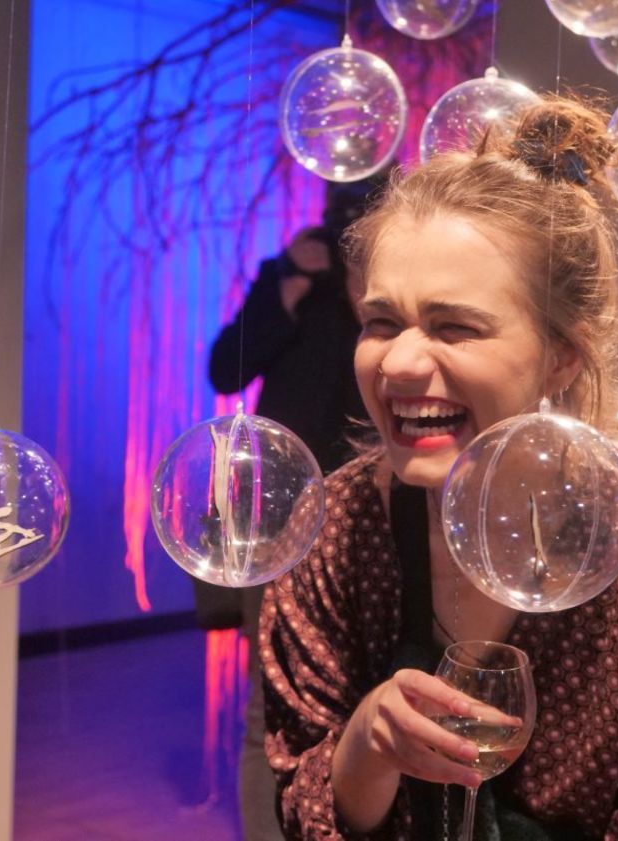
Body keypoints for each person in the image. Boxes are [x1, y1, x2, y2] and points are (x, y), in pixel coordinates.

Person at [258, 97, 618, 840]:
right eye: (381, 322)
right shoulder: (328, 533)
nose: (398, 363)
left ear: (561, 356)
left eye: (455, 327)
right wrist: (365, 746)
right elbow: (305, 812)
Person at [207, 177, 381, 840]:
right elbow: (224, 369)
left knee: (368, 695)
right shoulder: (290, 274)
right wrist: (288, 282)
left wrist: (367, 284)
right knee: (268, 712)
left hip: (368, 517)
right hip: (274, 518)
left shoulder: (390, 291)